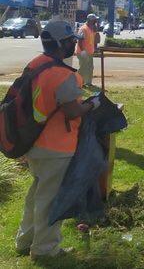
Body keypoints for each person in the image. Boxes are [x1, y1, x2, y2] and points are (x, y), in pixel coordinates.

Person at [15, 20, 101, 260]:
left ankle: (25, 240)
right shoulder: (63, 75)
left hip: (34, 143)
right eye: (71, 41)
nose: (74, 45)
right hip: (56, 147)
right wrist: (91, 104)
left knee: (35, 195)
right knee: (50, 201)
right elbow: (72, 111)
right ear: (61, 44)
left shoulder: (36, 64)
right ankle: (45, 250)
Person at [76, 14, 98, 88]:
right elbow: (80, 40)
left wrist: (95, 29)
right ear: (90, 20)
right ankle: (77, 83)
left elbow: (95, 39)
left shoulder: (91, 28)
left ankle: (88, 83)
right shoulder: (83, 28)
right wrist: (83, 51)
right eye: (94, 20)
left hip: (89, 52)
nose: (96, 21)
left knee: (90, 68)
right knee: (83, 68)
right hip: (83, 52)